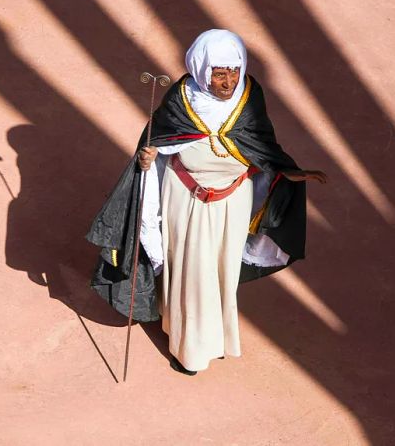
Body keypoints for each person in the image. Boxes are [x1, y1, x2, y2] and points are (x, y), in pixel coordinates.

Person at [86, 29, 327, 376]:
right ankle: (191, 352)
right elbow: (158, 145)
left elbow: (262, 145)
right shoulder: (183, 100)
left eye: (233, 71)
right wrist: (147, 158)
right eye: (218, 73)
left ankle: (213, 333)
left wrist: (290, 172)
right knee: (193, 273)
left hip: (233, 202)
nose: (228, 81)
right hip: (188, 201)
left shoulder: (249, 97)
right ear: (201, 70)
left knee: (221, 273)